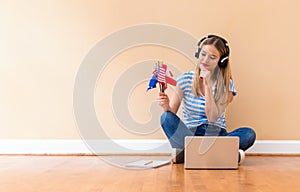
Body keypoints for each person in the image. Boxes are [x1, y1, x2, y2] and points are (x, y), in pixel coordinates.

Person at [158, 35, 256, 164]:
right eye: (203, 54)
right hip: (190, 136)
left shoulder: (226, 84)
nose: (205, 60)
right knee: (166, 118)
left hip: (217, 135)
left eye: (212, 57)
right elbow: (172, 114)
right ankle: (222, 155)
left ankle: (189, 155)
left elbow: (212, 118)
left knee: (249, 134)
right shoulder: (185, 79)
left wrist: (208, 86)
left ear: (221, 61)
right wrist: (166, 107)